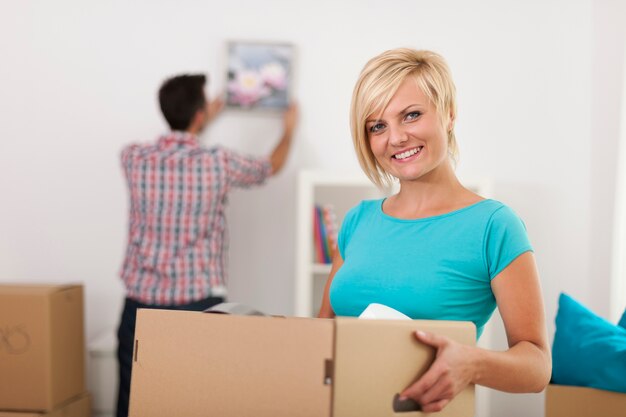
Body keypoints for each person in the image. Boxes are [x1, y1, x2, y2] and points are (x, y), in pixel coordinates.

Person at [318, 49, 551, 412]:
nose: (395, 138)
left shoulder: (494, 225)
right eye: (377, 126)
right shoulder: (357, 221)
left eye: (411, 115)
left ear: (449, 114)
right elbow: (321, 339)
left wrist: (472, 363)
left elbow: (537, 367)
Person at [116, 74, 297, 417]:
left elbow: (176, 140)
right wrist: (289, 129)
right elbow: (271, 166)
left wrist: (194, 122)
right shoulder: (218, 163)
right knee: (197, 399)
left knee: (134, 400)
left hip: (138, 304)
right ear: (200, 114)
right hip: (197, 302)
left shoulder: (132, 158)